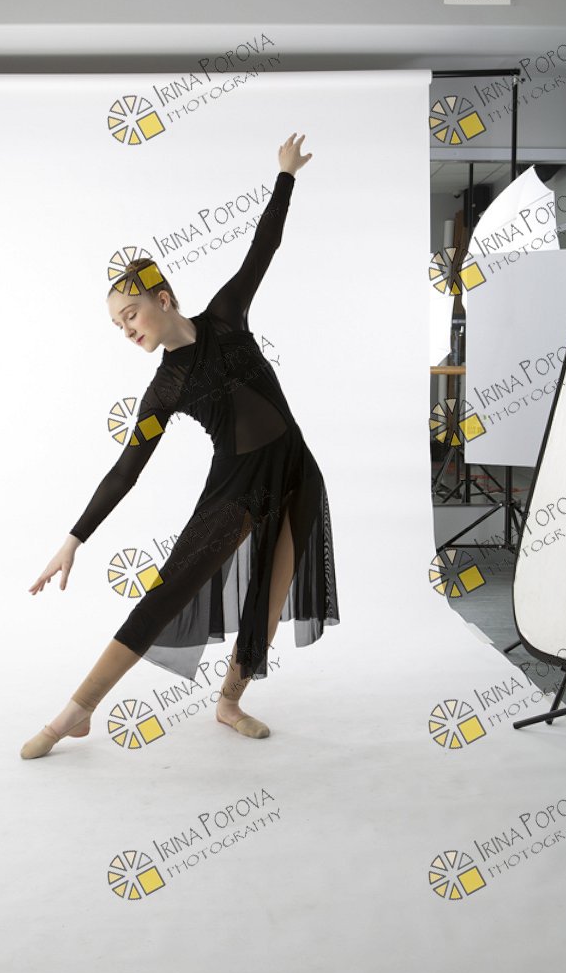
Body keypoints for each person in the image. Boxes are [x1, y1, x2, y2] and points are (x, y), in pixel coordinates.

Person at [20, 133, 340, 759]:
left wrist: (285, 177)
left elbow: (264, 247)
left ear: (162, 299)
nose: (126, 330)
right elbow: (126, 471)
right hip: (236, 487)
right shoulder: (163, 389)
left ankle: (230, 702)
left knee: (269, 598)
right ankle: (75, 713)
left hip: (298, 471)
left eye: (130, 315)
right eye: (117, 324)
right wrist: (74, 539)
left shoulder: (227, 316)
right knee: (170, 589)